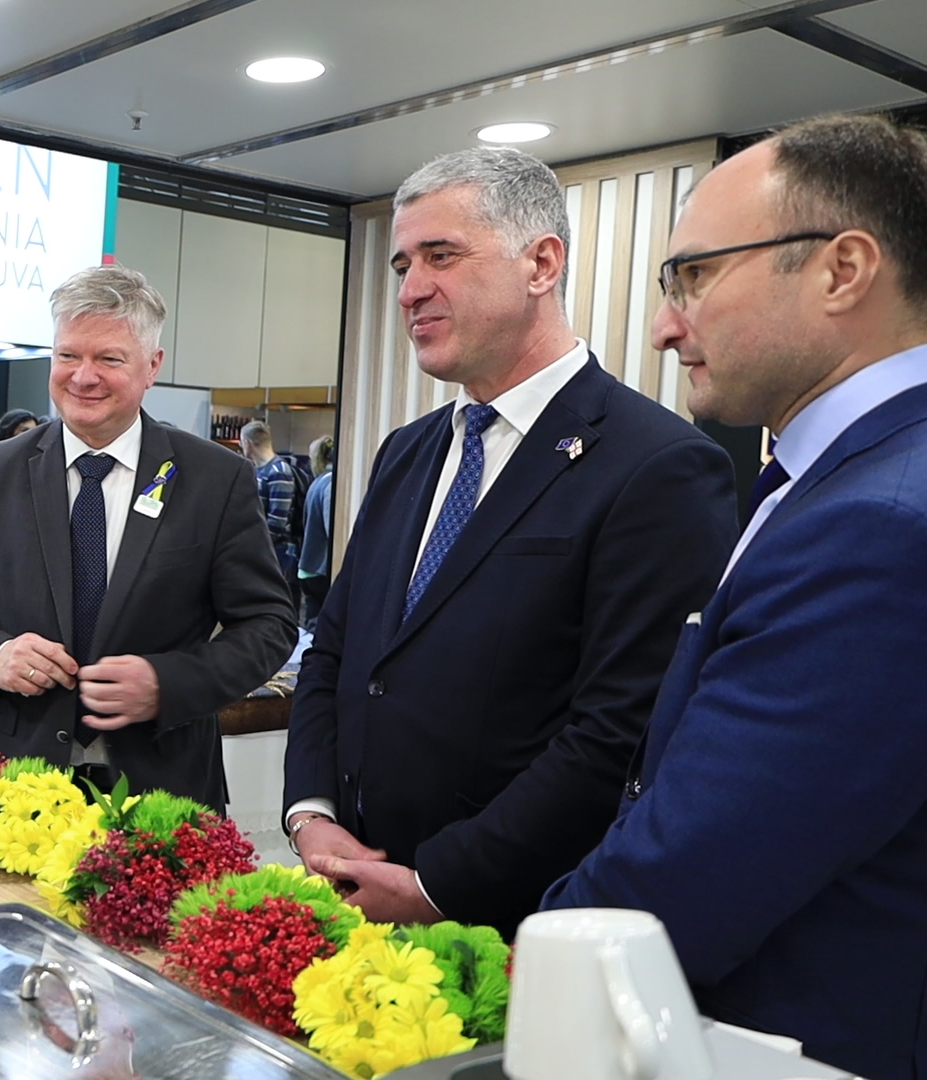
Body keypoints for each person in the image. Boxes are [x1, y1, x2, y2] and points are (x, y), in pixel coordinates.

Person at [542, 115, 927, 1080]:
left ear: (844, 270)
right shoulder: (852, 474)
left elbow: (703, 864)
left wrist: (537, 965)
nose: (663, 325)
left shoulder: (882, 522)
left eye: (694, 276)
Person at [282, 146, 739, 934]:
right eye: (402, 265)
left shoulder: (658, 466)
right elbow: (337, 651)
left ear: (541, 264)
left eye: (441, 256)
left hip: (516, 925)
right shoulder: (408, 452)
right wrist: (311, 814)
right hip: (356, 896)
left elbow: (619, 733)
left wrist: (436, 883)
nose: (410, 289)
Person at [0, 264, 296, 808]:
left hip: (165, 791)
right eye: (68, 356)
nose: (83, 377)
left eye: (109, 359)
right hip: (22, 792)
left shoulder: (215, 479)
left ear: (152, 366)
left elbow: (269, 625)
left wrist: (169, 683)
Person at [240, 421, 300, 583]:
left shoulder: (279, 472)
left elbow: (277, 521)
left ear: (247, 443)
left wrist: (256, 545)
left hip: (276, 550)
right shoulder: (258, 470)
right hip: (263, 547)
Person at [294, 436, 335, 630]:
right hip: (322, 568)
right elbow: (332, 531)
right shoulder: (332, 485)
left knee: (311, 627)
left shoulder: (318, 482)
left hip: (308, 567)